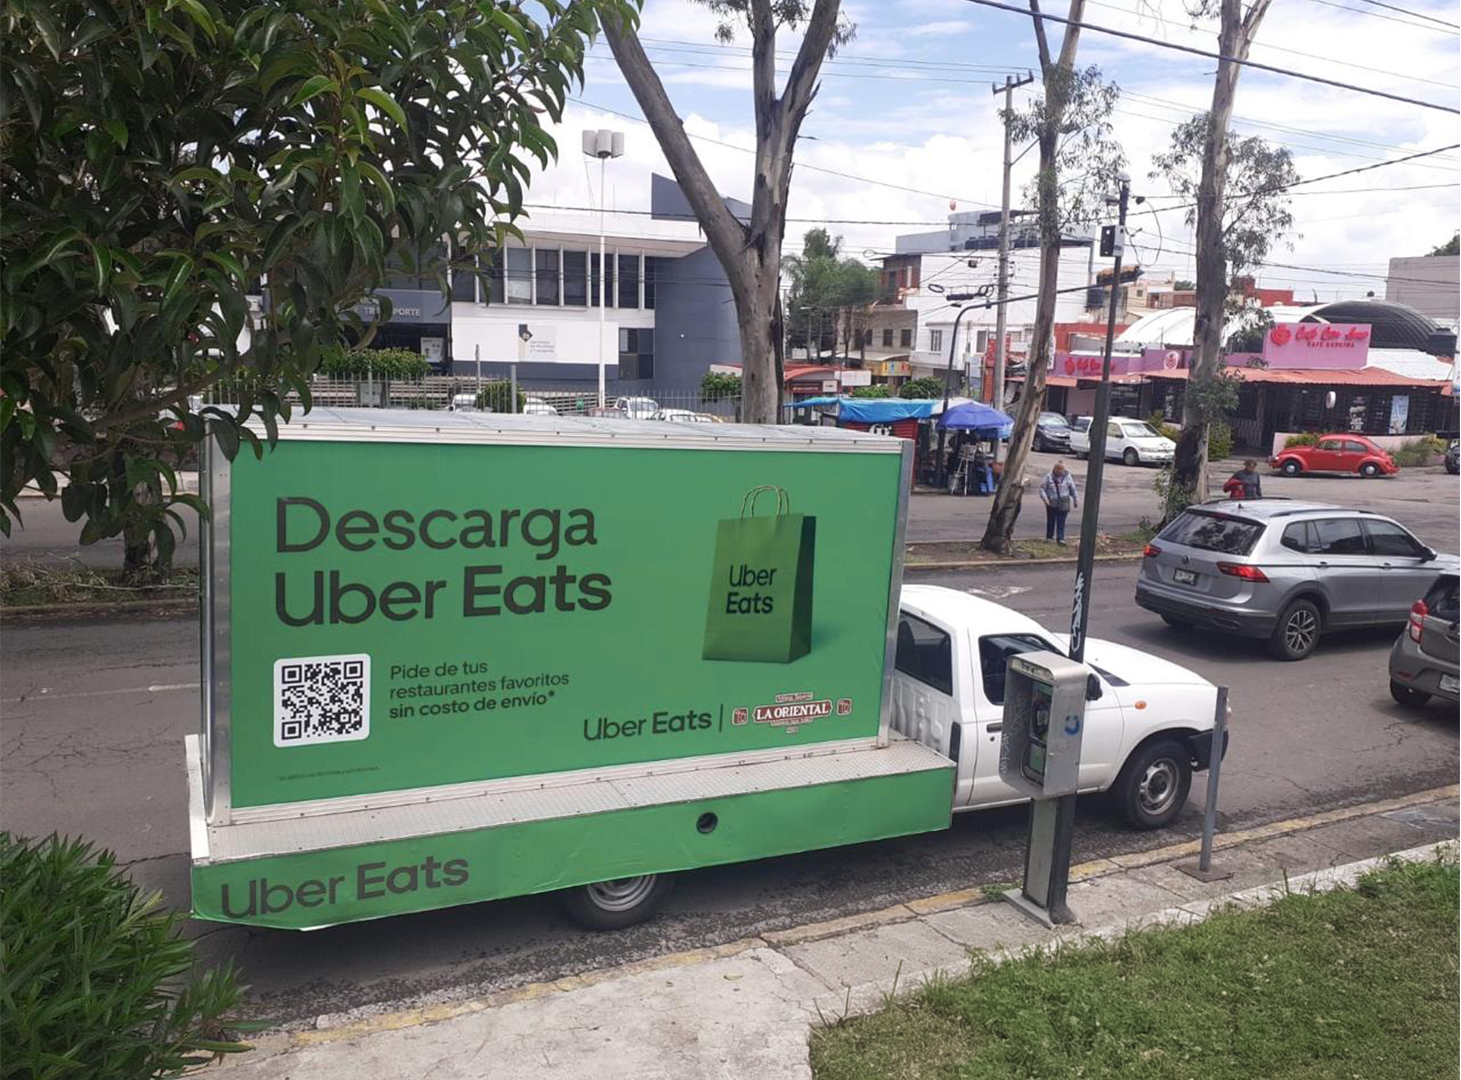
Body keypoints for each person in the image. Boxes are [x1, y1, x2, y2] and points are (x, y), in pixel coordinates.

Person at [1039, 461, 1079, 545]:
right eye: (1058, 469)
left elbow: (1072, 489)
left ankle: (1060, 539)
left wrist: (1075, 500)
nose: (1060, 471)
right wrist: (1045, 499)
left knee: (1061, 521)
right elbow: (1042, 489)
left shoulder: (1067, 477)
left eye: (1062, 469)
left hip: (1064, 501)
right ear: (1054, 469)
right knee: (1051, 520)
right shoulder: (1048, 477)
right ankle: (1049, 537)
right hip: (1052, 501)